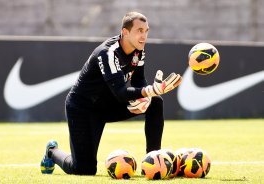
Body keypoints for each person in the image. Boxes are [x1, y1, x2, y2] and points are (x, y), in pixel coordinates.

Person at [40, 11, 182, 175]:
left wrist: (145, 98)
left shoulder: (138, 50)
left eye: (146, 31)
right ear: (125, 32)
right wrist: (151, 90)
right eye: (139, 31)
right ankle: (52, 151)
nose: (144, 36)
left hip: (108, 104)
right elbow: (121, 92)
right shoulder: (108, 52)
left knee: (155, 102)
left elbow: (138, 81)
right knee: (83, 169)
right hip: (83, 108)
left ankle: (154, 162)